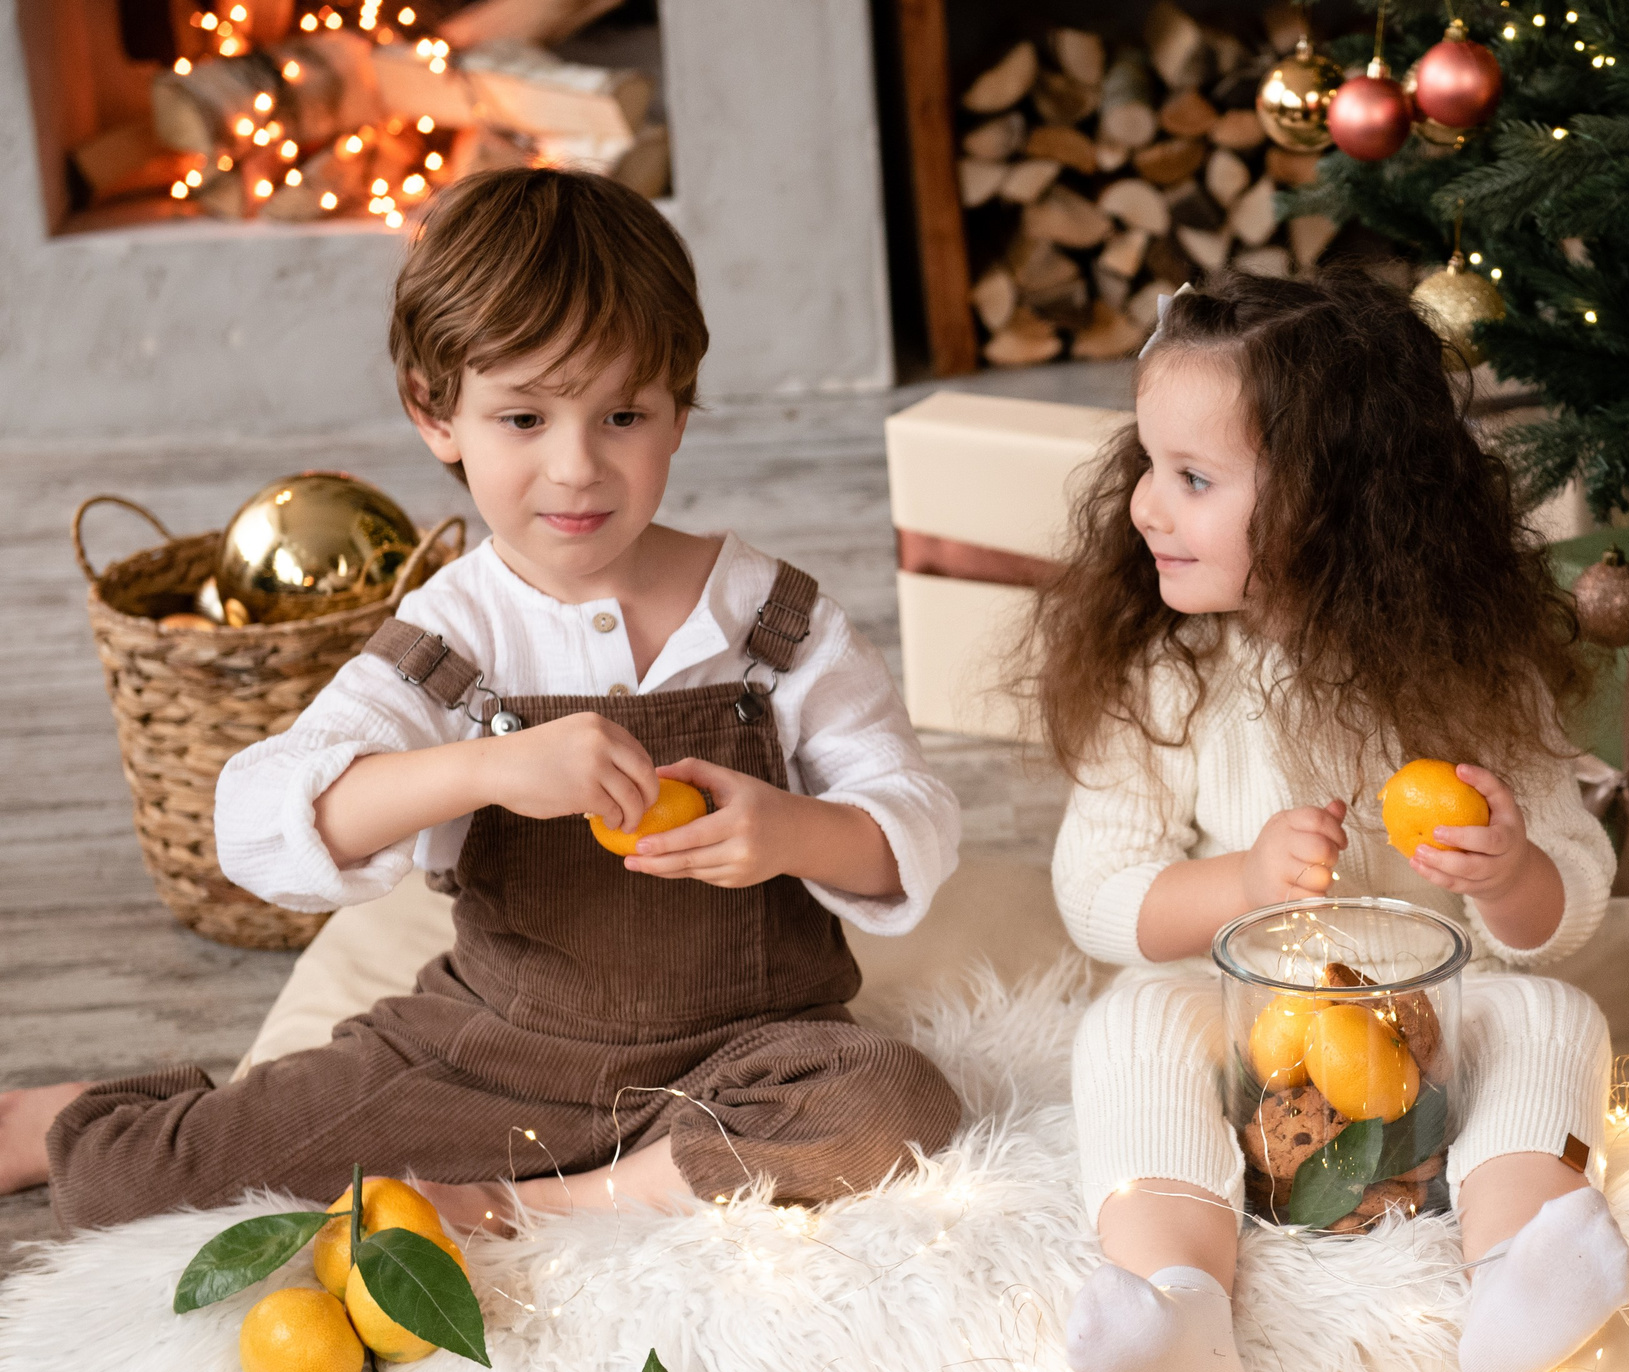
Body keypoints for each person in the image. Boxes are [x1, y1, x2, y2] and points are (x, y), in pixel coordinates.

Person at [1, 168, 964, 1231]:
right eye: (523, 417)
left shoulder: (773, 621)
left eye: (623, 414)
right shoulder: (453, 639)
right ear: (436, 412)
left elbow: (914, 819)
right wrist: (486, 767)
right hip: (491, 1059)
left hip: (750, 1054)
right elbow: (256, 825)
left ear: (680, 410)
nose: (577, 467)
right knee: (137, 1186)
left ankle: (542, 1206)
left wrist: (790, 830)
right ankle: (62, 1113)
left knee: (894, 1104)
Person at [1037, 271, 1629, 1372]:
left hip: (1431, 1033)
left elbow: (1571, 902)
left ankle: (1514, 1275)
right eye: (1149, 465)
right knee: (1130, 1021)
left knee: (1553, 1014)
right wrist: (1240, 882)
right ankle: (1182, 1303)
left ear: (1335, 502)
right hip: (1246, 1033)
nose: (1146, 507)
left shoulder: (1476, 671)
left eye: (1193, 478)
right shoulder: (1168, 673)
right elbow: (1094, 892)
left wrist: (1512, 873)